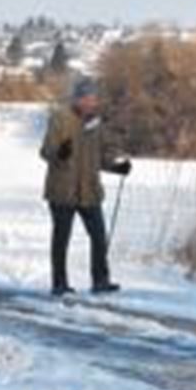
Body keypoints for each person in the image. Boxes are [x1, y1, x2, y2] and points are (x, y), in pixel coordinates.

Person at [39, 76, 131, 296]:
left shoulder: (96, 123)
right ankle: (59, 283)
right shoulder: (60, 118)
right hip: (63, 191)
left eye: (94, 99)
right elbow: (46, 152)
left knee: (99, 236)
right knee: (62, 239)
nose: (92, 103)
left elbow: (101, 156)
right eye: (88, 98)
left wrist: (116, 167)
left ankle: (101, 280)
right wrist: (60, 153)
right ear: (77, 99)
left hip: (89, 191)